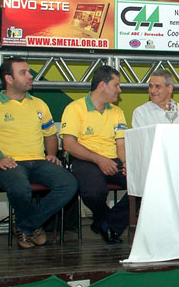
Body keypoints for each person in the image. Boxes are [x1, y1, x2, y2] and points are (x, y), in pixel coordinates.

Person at [0, 57, 77, 249]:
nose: (30, 76)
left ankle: (25, 225)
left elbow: (50, 135)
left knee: (69, 184)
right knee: (21, 189)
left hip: (39, 161)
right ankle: (32, 226)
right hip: (10, 164)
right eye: (23, 72)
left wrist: (52, 153)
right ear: (8, 78)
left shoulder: (39, 104)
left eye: (29, 71)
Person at [62, 65, 130, 243]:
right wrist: (99, 159)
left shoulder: (117, 112)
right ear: (102, 85)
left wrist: (127, 163)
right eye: (116, 85)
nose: (119, 90)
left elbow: (121, 144)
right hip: (86, 160)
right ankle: (105, 221)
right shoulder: (74, 108)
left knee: (145, 185)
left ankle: (108, 224)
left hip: (113, 160)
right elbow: (68, 144)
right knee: (93, 193)